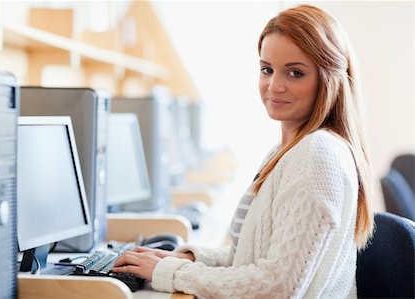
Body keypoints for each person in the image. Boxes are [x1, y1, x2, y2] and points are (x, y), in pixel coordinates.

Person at [113, 4, 374, 298]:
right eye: (267, 69)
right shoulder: (289, 150)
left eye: (295, 73)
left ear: (329, 79)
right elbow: (256, 259)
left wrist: (170, 273)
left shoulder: (317, 155)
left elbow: (277, 288)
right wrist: (187, 260)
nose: (274, 86)